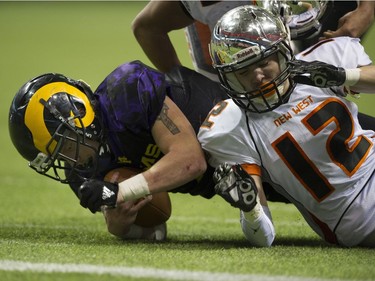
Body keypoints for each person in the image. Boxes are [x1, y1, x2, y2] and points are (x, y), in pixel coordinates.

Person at [198, 5, 375, 248]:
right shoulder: (230, 123)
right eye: (244, 71)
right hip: (357, 214)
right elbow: (264, 236)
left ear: (283, 51)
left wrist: (343, 75)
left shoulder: (322, 61)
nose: (257, 76)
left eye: (264, 62)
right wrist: (250, 210)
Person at [8, 60, 228, 241]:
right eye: (57, 157)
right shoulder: (82, 175)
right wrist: (120, 228)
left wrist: (121, 192)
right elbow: (155, 231)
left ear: (77, 114)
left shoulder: (126, 92)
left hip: (245, 138)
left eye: (65, 146)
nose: (70, 162)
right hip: (226, 180)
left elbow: (190, 161)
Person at [132, 0, 375, 131]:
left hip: (286, 76)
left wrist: (366, 7)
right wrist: (189, 92)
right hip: (232, 98)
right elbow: (146, 27)